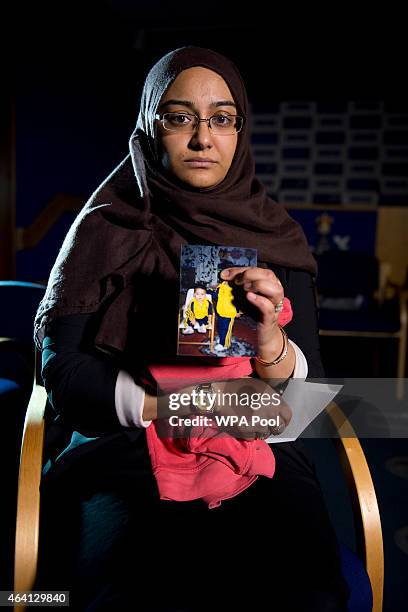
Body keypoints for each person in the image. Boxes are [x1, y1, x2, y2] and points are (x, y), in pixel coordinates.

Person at [33, 47, 350, 610]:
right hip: (124, 445)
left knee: (304, 592)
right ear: (151, 128)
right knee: (122, 591)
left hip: (251, 445)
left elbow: (306, 405)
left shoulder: (279, 239)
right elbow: (64, 372)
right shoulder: (104, 228)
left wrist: (272, 340)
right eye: (180, 117)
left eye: (222, 118)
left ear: (239, 131)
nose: (203, 138)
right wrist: (178, 404)